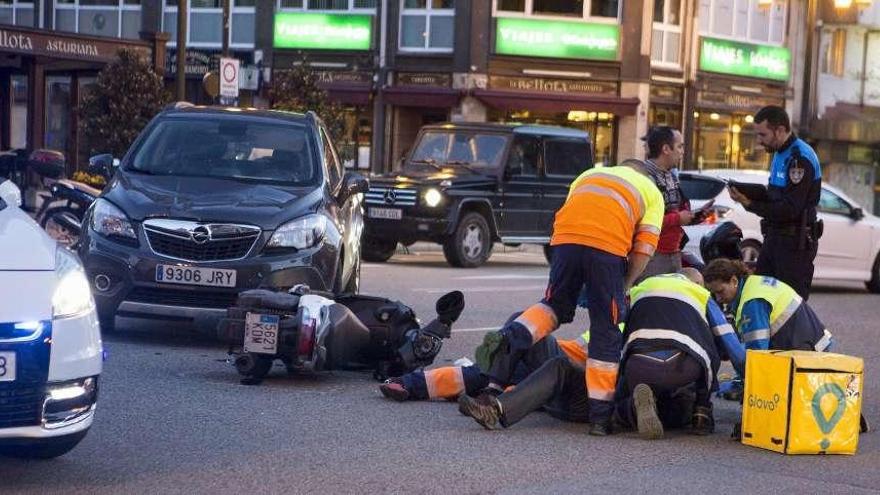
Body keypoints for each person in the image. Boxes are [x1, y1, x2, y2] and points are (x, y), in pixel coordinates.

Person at [457, 269, 746, 439]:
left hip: (598, 386)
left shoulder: (643, 291)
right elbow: (733, 353)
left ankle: (496, 405)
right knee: (676, 401)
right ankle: (633, 410)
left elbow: (612, 336)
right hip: (603, 401)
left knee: (559, 365)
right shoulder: (702, 300)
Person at [490, 160, 664, 436]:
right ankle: (599, 418)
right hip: (608, 247)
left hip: (565, 239)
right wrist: (625, 284)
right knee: (606, 330)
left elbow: (572, 215)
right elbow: (643, 249)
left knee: (554, 305)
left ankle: (511, 336)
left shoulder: (589, 174)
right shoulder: (652, 193)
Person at [728, 106, 822, 300]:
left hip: (794, 245)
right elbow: (773, 195)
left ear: (779, 130)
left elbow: (790, 208)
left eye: (763, 134)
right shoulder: (780, 153)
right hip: (774, 239)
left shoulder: (799, 158)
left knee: (788, 306)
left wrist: (750, 204)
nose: (759, 140)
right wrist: (747, 193)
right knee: (762, 297)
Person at [702, 259, 833, 352]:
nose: (718, 299)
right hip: (815, 345)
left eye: (720, 292)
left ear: (734, 281)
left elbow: (757, 353)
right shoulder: (753, 284)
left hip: (809, 357)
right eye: (714, 294)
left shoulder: (752, 302)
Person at [636, 127, 700, 282]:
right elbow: (641, 222)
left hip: (673, 251)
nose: (682, 152)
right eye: (679, 146)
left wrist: (694, 216)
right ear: (666, 149)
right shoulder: (645, 177)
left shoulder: (671, 175)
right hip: (652, 255)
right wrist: (678, 219)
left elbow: (675, 209)